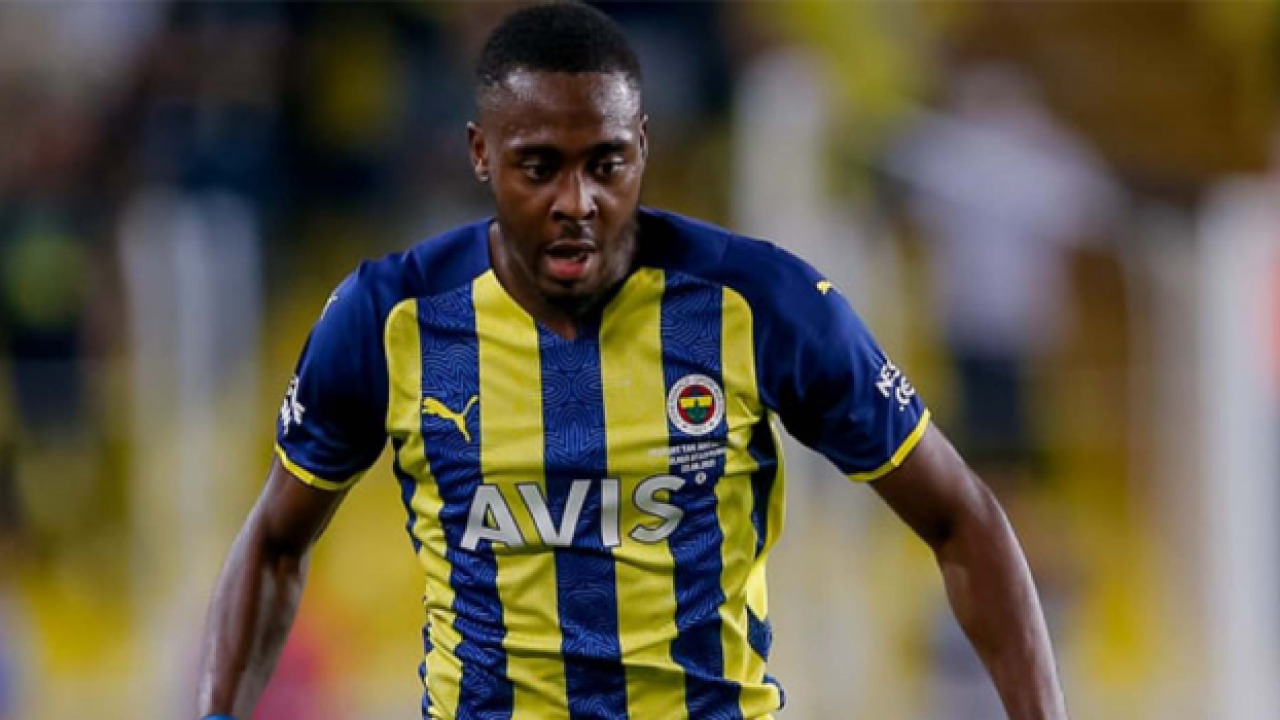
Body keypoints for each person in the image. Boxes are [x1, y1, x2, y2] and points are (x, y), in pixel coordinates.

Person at [195, 4, 1068, 720]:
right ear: (480, 153)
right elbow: (274, 542)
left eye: (606, 163)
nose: (577, 201)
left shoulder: (760, 303)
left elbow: (963, 516)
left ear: (643, 146)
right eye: (539, 167)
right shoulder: (390, 317)